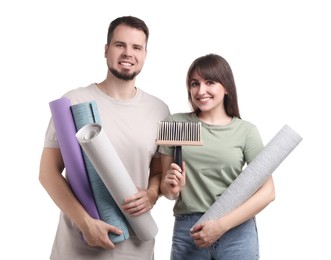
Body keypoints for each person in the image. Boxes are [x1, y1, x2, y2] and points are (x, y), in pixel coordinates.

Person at [39, 16, 170, 260]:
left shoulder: (159, 110)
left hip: (136, 247)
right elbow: (48, 173)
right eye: (120, 45)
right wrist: (85, 222)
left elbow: (157, 172)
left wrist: (152, 194)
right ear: (106, 49)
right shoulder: (73, 103)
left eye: (136, 47)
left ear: (145, 54)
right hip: (77, 248)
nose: (128, 53)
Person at [159, 53, 275, 260]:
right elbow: (167, 192)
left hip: (236, 229)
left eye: (209, 82)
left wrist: (221, 226)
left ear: (226, 87)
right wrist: (172, 188)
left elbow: (267, 192)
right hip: (190, 229)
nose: (200, 91)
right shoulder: (176, 123)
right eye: (194, 84)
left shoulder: (246, 131)